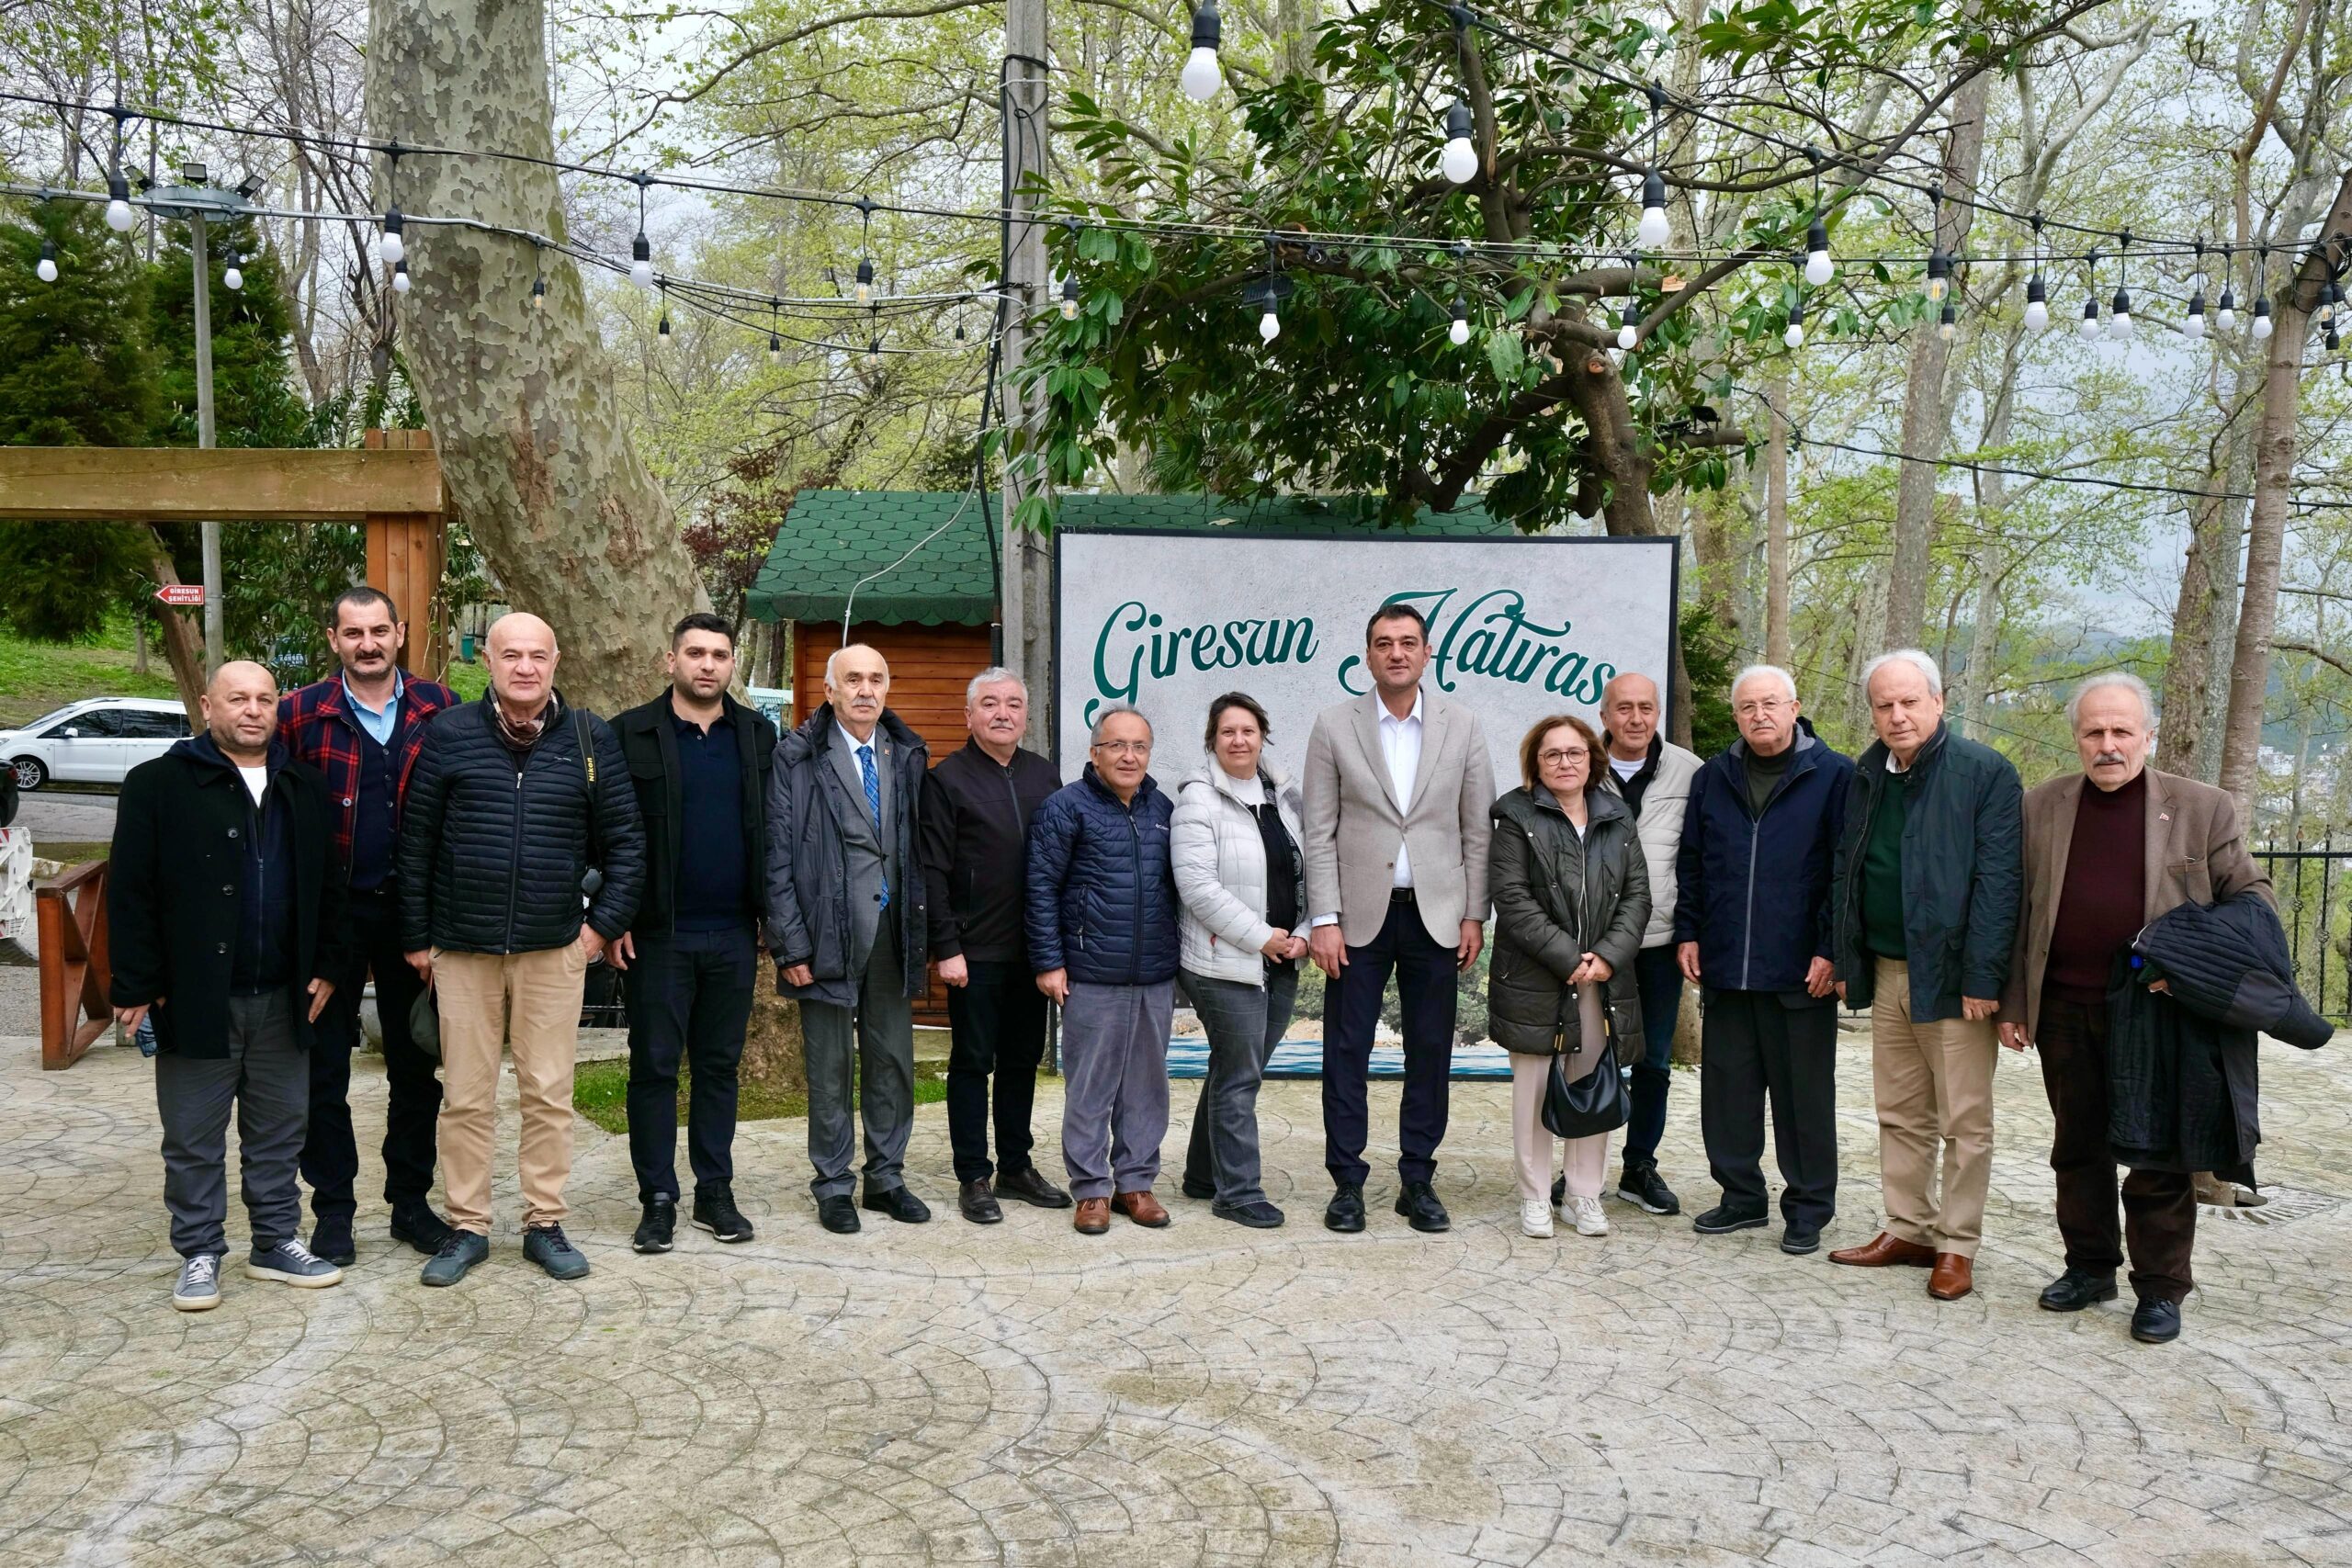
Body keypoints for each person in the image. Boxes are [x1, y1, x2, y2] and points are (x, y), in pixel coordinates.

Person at [1997, 671, 2271, 1346]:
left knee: (2160, 1158)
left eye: (2123, 730)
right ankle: (2089, 1267)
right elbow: (2016, 909)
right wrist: (2014, 1001)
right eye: (2095, 731)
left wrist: (2190, 960)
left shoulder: (2203, 807)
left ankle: (2161, 1289)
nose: (2109, 744)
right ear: (2077, 738)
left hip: (2159, 1014)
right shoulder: (2043, 805)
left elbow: (2253, 901)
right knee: (2077, 1148)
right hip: (2064, 1005)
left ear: (2147, 734)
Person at [399, 612, 645, 1287]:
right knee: (467, 1096)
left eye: (538, 655)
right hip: (463, 946)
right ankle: (467, 1225)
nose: (526, 667)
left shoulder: (590, 738)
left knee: (547, 1092)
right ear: (489, 660)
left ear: (556, 660)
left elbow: (627, 843)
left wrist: (598, 930)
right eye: (512, 655)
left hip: (552, 949)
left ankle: (544, 1221)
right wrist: (417, 939)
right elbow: (415, 842)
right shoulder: (448, 735)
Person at [109, 660, 350, 1311]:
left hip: (284, 993)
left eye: (265, 699)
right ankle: (198, 1250)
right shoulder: (157, 784)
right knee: (192, 1133)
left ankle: (274, 1240)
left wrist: (329, 963)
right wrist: (135, 983)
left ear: (278, 709)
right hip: (194, 993)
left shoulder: (304, 784)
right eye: (237, 698)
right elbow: (129, 890)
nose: (252, 709)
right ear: (206, 707)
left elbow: (328, 886)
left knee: (279, 1129)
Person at [1827, 649, 2022, 1303]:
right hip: (1887, 968)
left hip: (1955, 977)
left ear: (1939, 702)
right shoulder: (1867, 773)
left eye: (1910, 700)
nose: (1897, 714)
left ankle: (1957, 1243)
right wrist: (1847, 956)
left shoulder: (1983, 773)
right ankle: (1908, 1225)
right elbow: (1848, 869)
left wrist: (1984, 975)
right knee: (1900, 1111)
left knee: (1965, 1120)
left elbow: (2000, 883)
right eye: (1884, 704)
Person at [276, 586, 460, 1268]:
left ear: (400, 632)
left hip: (416, 916)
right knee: (323, 1069)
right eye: (353, 633)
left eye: (380, 630)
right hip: (332, 918)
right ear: (334, 639)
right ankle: (333, 1211)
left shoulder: (439, 709)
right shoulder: (298, 715)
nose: (369, 644)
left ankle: (410, 1203)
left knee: (418, 1066)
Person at [1300, 603, 1494, 1235]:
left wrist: (1474, 912)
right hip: (1356, 918)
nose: (1396, 653)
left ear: (1427, 651)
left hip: (1437, 917)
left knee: (1431, 1050)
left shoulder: (1462, 725)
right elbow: (1319, 829)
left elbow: (1476, 828)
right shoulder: (1334, 725)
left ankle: (1418, 1176)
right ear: (1368, 654)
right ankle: (1348, 1183)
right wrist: (1323, 916)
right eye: (1384, 643)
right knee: (1346, 1049)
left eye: (1408, 642)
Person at [610, 614, 777, 1254]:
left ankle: (715, 1191)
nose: (708, 664)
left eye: (720, 654)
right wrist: (616, 915)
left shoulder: (757, 736)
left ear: (733, 664)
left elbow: (773, 831)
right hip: (658, 936)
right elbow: (608, 834)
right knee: (653, 1068)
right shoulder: (631, 734)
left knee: (718, 1067)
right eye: (696, 653)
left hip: (736, 934)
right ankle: (657, 1197)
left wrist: (772, 919)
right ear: (670, 660)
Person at [1674, 666, 1852, 1255]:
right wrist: (1690, 932)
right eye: (1748, 707)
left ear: (1795, 706)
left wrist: (1831, 947)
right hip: (1726, 965)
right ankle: (1740, 1197)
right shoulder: (1714, 777)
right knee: (1728, 1093)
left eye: (1771, 704)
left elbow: (1841, 873)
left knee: (1804, 1097)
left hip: (1802, 971)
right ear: (1736, 716)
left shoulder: (1833, 776)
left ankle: (1807, 1208)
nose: (1760, 715)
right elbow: (1692, 863)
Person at [764, 643, 932, 1235]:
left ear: (888, 687)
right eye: (852, 679)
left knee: (893, 1062)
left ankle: (886, 1178)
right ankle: (834, 1185)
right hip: (826, 932)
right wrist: (791, 946)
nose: (866, 690)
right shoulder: (797, 756)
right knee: (830, 1066)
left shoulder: (907, 751)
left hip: (892, 933)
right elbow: (777, 856)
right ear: (830, 690)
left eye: (876, 679)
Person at [1487, 715, 1649, 1240]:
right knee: (1534, 1089)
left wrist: (1606, 956)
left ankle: (1583, 1195)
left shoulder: (1617, 816)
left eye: (1574, 753)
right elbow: (1512, 899)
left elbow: (1637, 897)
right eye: (1552, 754)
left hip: (1603, 979)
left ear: (1592, 759)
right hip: (1537, 977)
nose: (1565, 762)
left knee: (1592, 1085)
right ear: (1536, 763)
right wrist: (1569, 959)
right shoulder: (1515, 815)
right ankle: (1535, 1196)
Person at [919, 668, 1069, 1224]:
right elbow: (931, 869)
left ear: (1025, 716)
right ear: (969, 715)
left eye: (1012, 704)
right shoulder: (948, 779)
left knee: (1022, 1062)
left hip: (1033, 950)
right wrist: (946, 946)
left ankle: (1015, 1166)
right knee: (972, 1062)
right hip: (973, 951)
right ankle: (973, 1175)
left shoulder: (1044, 776)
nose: (1002, 713)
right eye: (989, 704)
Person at [1026, 704, 1182, 1235]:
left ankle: (1135, 1184)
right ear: (1094, 753)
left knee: (1146, 1086)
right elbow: (1041, 888)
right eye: (1116, 745)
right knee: (1090, 1088)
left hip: (1154, 973)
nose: (1128, 755)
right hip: (1091, 972)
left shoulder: (1162, 808)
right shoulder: (1065, 808)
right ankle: (1092, 1189)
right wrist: (1049, 961)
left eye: (1139, 746)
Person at [1171, 692, 1308, 1230]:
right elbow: (1197, 889)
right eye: (1227, 731)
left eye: (1248, 731)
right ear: (1213, 739)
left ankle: (1204, 1175)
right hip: (1221, 962)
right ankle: (1238, 1192)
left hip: (1282, 958)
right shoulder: (1198, 800)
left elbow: (1309, 869)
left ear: (1262, 736)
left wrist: (1300, 933)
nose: (1238, 740)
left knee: (1234, 1069)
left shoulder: (1285, 798)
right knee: (1240, 1075)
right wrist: (1262, 938)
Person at [1591, 670, 1702, 1216]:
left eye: (1646, 709)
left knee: (1653, 1060)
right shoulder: (1580, 765)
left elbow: (1702, 858)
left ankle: (1640, 1166)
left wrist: (1693, 931)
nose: (1636, 719)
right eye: (1624, 708)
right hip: (1593, 943)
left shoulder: (1689, 771)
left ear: (1658, 713)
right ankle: (1581, 1169)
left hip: (1660, 942)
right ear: (1604, 715)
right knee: (1586, 1057)